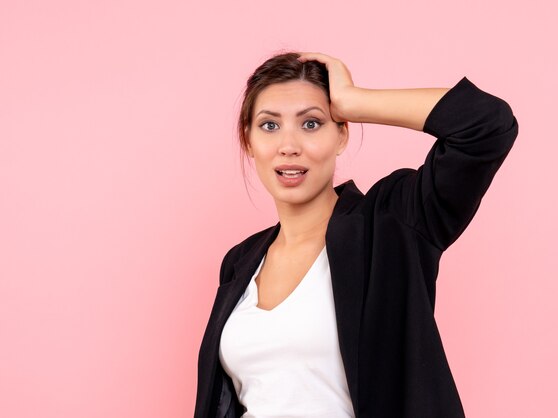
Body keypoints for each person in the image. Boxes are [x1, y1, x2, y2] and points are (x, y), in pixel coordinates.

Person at [194, 51, 518, 418]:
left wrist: (355, 101)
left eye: (311, 124)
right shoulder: (240, 261)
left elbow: (487, 126)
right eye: (269, 126)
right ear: (249, 141)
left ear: (342, 134)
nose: (288, 145)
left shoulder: (391, 223)